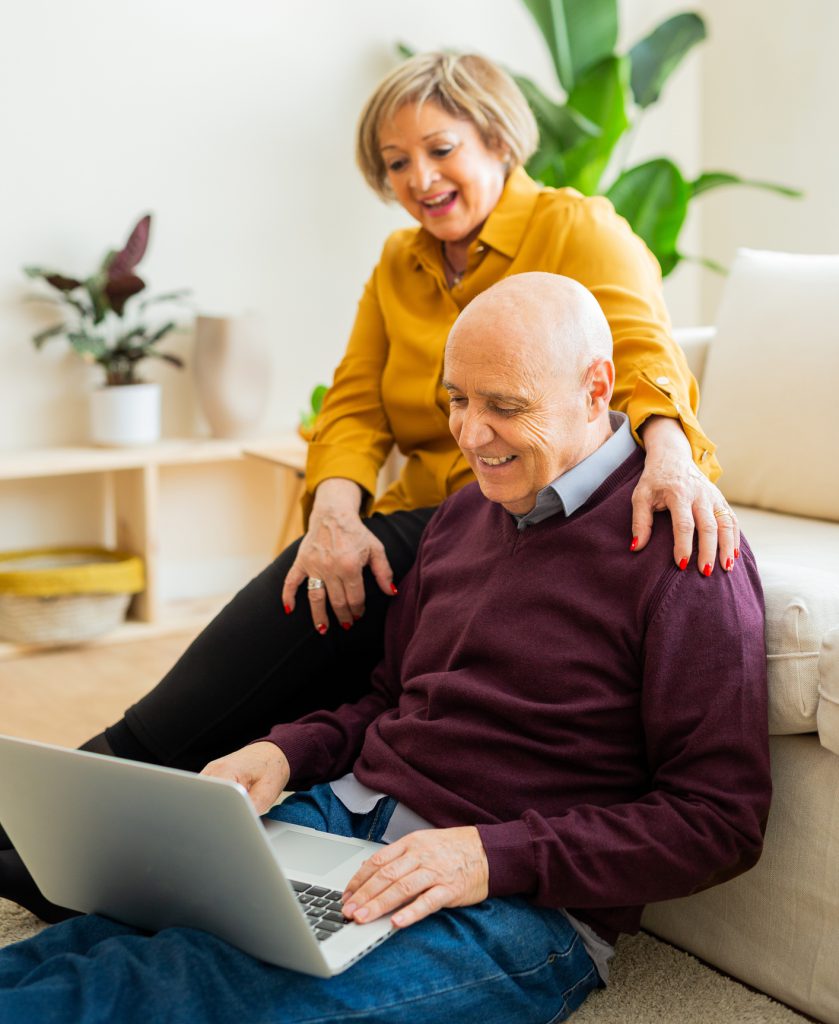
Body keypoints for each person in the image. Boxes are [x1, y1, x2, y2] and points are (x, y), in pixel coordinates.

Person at [0, 51, 741, 917]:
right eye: (394, 163)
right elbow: (351, 406)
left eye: (439, 149)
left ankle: (65, 834)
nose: (418, 178)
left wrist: (670, 454)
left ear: (497, 139)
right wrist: (333, 513)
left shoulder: (577, 230)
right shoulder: (400, 263)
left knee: (297, 629)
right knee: (285, 615)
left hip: (501, 516)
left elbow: (640, 359)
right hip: (424, 526)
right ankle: (66, 822)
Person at [0, 274, 771, 1024]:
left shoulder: (685, 553)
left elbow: (717, 820)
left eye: (504, 406)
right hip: (341, 822)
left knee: (174, 993)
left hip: (514, 905)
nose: (470, 435)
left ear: (597, 388)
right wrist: (284, 754)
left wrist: (487, 856)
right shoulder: (464, 512)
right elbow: (390, 700)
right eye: (457, 401)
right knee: (95, 943)